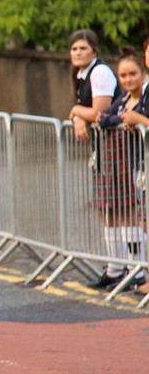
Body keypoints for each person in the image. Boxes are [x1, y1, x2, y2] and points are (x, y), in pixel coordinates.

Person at [66, 30, 122, 289]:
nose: (77, 53)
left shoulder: (99, 72)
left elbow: (99, 113)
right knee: (106, 208)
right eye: (74, 49)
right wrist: (79, 117)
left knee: (121, 208)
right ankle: (115, 267)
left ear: (94, 51)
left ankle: (131, 269)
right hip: (103, 146)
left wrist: (77, 112)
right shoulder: (81, 75)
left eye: (83, 48)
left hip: (117, 144)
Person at [92, 46, 149, 291]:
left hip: (141, 160)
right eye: (123, 75)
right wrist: (119, 118)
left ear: (142, 73)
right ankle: (127, 269)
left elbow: (132, 118)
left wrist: (132, 119)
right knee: (131, 216)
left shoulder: (146, 94)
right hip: (133, 163)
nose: (127, 79)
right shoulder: (125, 98)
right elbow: (105, 117)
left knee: (138, 218)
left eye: (132, 74)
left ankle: (138, 270)